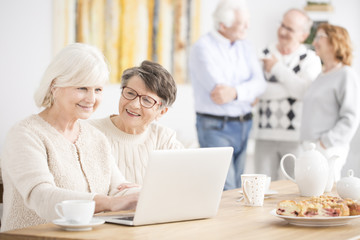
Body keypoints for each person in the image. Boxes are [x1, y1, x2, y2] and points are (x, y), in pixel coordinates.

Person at [0, 43, 140, 232]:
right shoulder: (24, 135)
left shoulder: (96, 137)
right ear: (54, 86)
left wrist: (147, 194)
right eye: (82, 88)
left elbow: (119, 188)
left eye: (98, 90)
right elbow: (41, 197)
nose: (91, 99)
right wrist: (109, 203)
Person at [188, 0, 266, 190]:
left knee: (240, 189)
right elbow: (220, 94)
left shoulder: (245, 45)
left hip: (244, 125)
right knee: (226, 189)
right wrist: (247, 94)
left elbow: (261, 83)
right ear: (223, 25)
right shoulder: (202, 48)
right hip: (215, 126)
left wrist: (237, 92)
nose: (248, 27)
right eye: (242, 23)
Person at [253, 9, 322, 180]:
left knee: (293, 189)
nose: (282, 31)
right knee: (263, 190)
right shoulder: (263, 54)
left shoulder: (310, 58)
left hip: (296, 137)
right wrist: (295, 87)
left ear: (303, 35)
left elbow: (306, 92)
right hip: (264, 135)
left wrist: (276, 69)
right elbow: (256, 90)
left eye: (289, 29)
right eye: (282, 25)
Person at [89, 60, 183, 185]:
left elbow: (184, 183)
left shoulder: (165, 139)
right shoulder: (90, 132)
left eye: (147, 100)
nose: (134, 105)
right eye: (130, 93)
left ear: (161, 112)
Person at [301, 23, 360, 181]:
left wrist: (325, 143)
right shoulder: (321, 76)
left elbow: (351, 117)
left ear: (335, 41)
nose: (314, 43)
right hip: (311, 148)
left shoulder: (346, 74)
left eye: (320, 37)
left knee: (327, 201)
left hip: (327, 149)